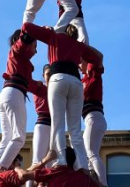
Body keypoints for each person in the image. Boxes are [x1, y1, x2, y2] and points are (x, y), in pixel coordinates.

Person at [21, 22, 102, 171]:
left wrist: (45, 29)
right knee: (75, 128)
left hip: (58, 79)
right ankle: (82, 164)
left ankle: (61, 160)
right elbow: (97, 58)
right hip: (76, 82)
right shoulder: (78, 46)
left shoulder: (53, 37)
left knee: (58, 123)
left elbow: (26, 27)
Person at [0, 29, 38, 174]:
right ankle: (2, 169)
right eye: (35, 46)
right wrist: (39, 30)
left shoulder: (20, 61)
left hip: (5, 95)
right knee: (19, 137)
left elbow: (33, 85)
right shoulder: (17, 51)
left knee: (7, 138)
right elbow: (25, 37)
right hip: (13, 94)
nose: (36, 51)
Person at [25, 65, 51, 187]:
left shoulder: (58, 89)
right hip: (42, 122)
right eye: (48, 74)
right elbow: (28, 84)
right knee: (37, 159)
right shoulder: (41, 88)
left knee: (53, 161)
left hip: (55, 126)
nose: (50, 76)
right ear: (43, 75)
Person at [82, 62, 107, 185]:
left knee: (91, 153)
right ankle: (94, 182)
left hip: (94, 117)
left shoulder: (93, 76)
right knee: (88, 154)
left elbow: (96, 65)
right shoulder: (83, 80)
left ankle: (103, 185)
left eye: (80, 61)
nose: (78, 64)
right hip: (92, 119)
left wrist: (84, 52)